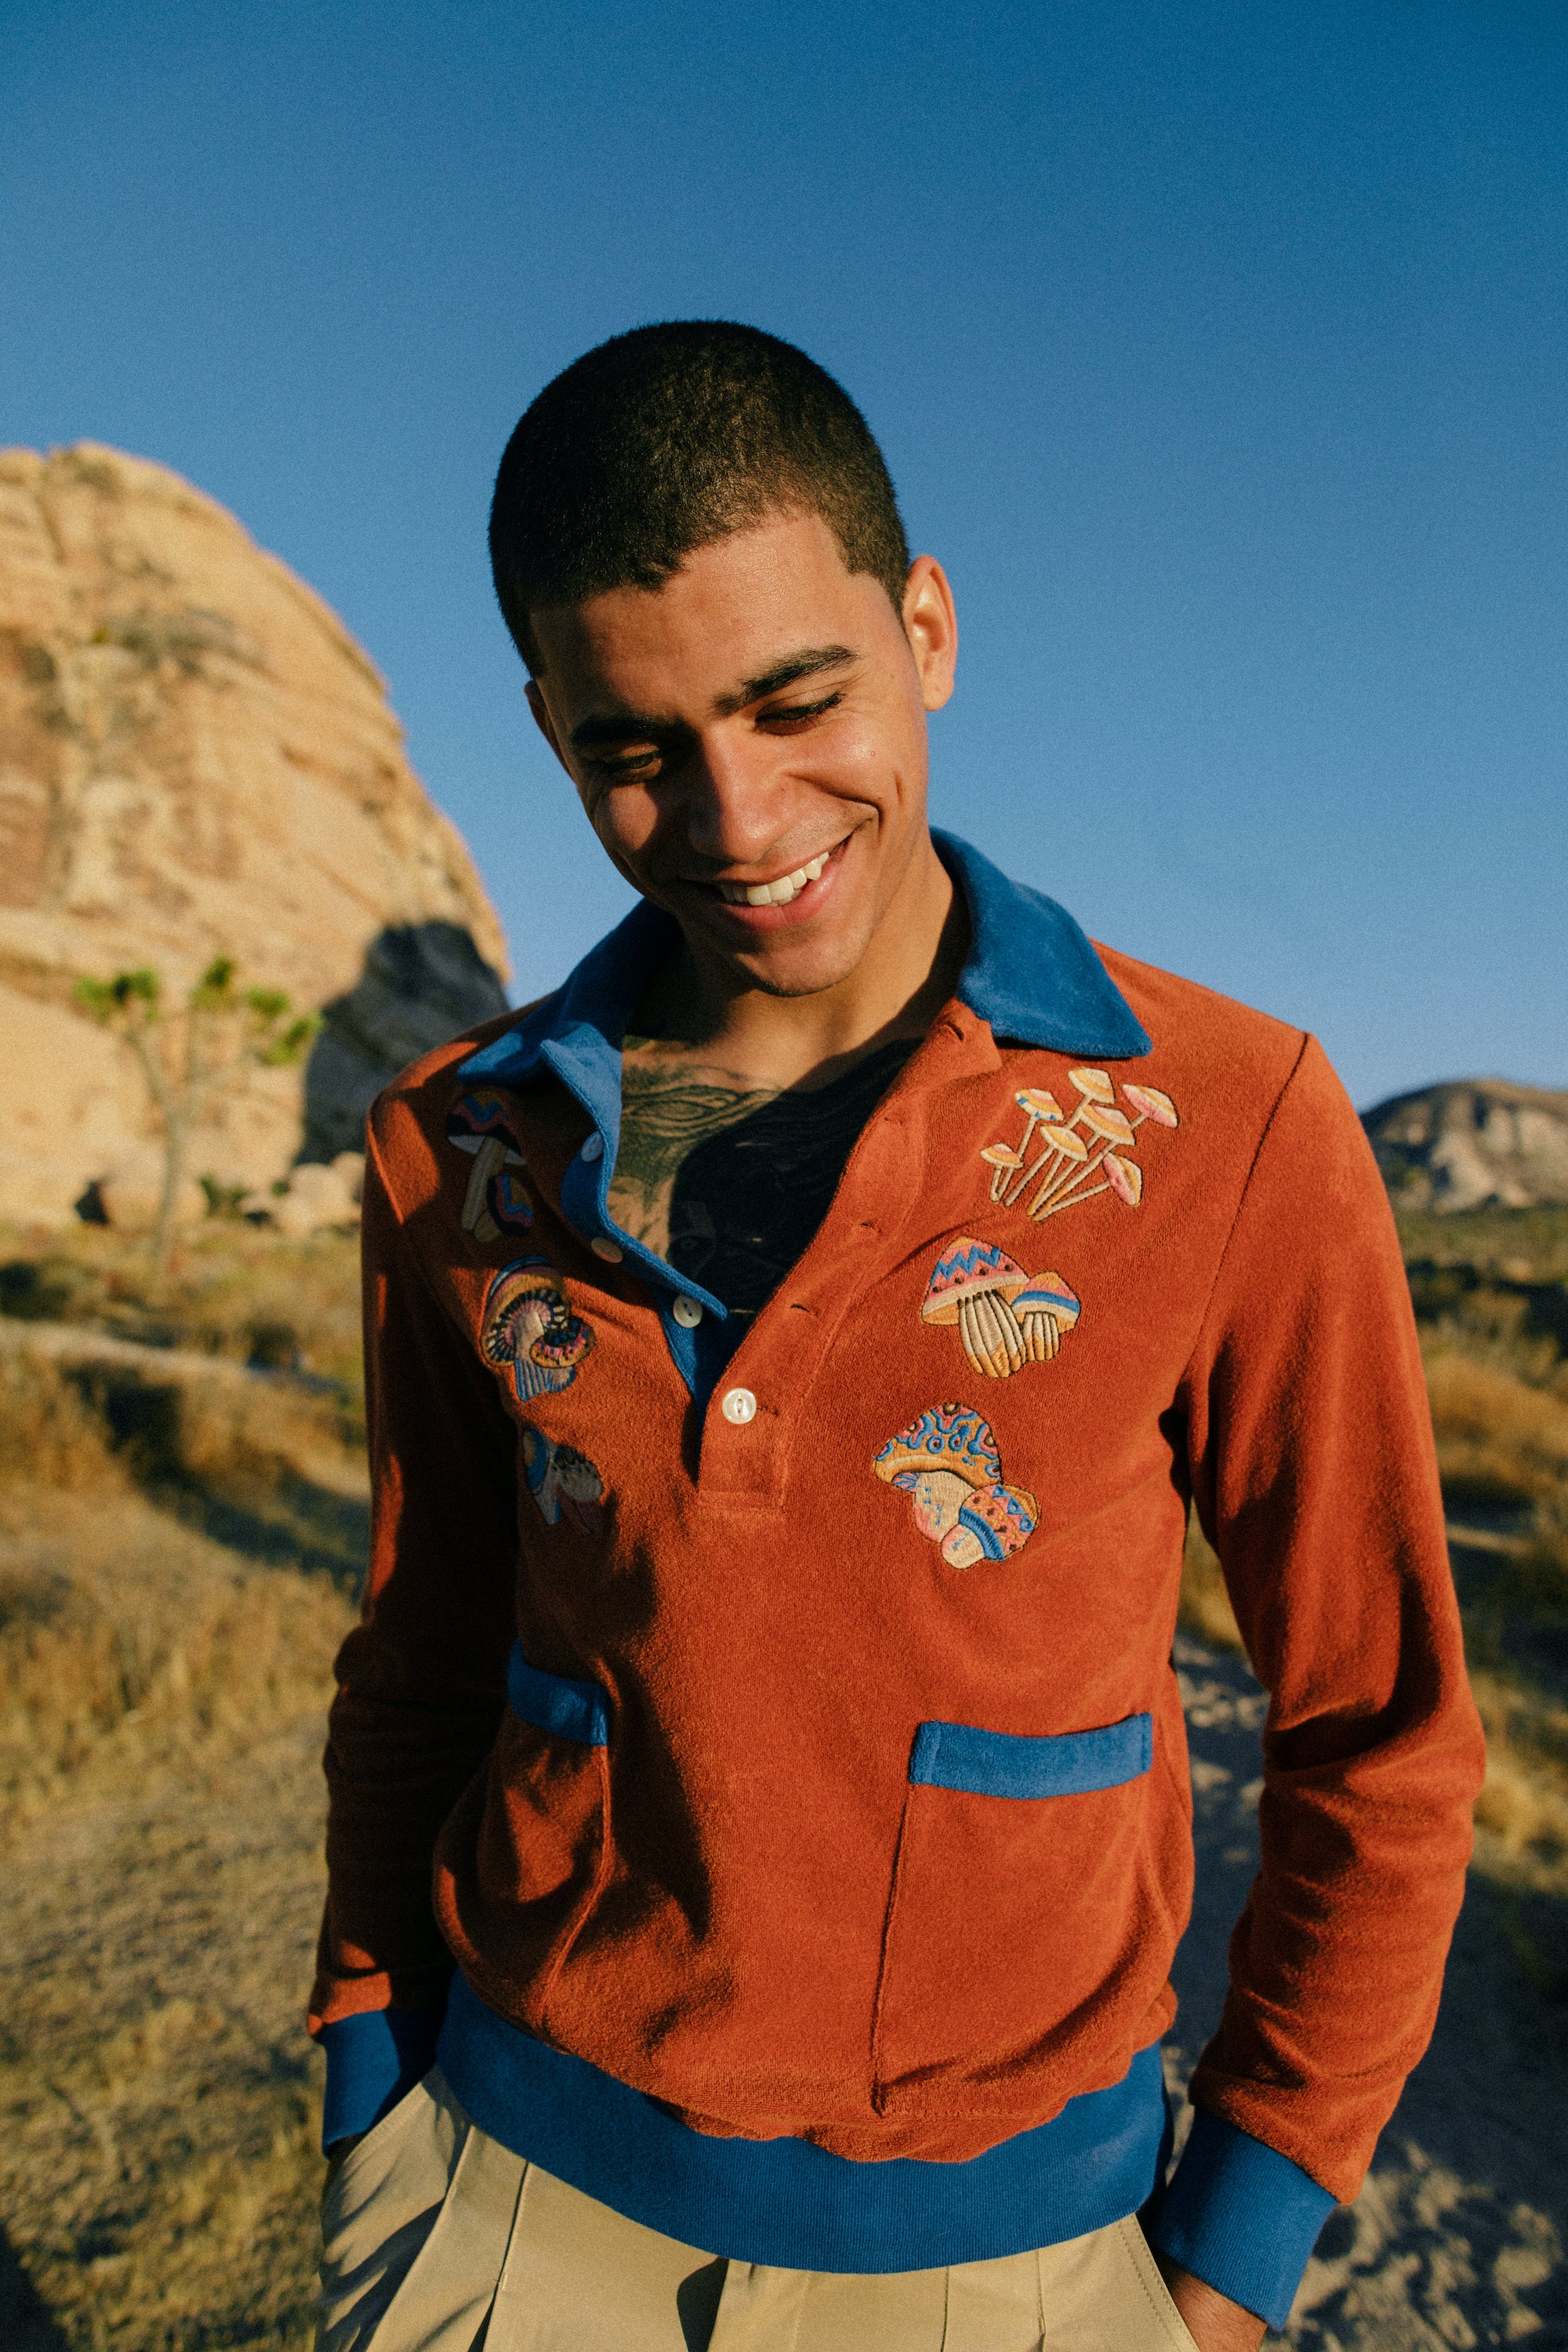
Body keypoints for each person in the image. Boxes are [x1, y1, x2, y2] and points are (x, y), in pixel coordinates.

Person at [310, 322, 1484, 2352]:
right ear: (549, 731)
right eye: (634, 747)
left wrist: (1241, 2253)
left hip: (1010, 2267)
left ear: (924, 624)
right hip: (499, 2203)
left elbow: (1380, 1742)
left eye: (797, 699)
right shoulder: (461, 1149)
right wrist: (362, 2081)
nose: (740, 815)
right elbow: (420, 1656)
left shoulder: (1232, 1127)